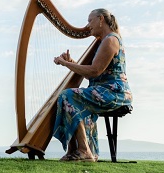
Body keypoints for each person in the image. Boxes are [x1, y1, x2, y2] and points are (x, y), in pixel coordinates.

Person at [52, 8, 133, 162]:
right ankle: (78, 151)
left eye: (90, 20)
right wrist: (72, 63)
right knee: (73, 97)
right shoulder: (104, 41)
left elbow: (94, 71)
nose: (88, 25)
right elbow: (97, 71)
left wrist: (64, 64)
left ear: (101, 19)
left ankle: (84, 151)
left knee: (67, 95)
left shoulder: (110, 40)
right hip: (104, 91)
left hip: (115, 93)